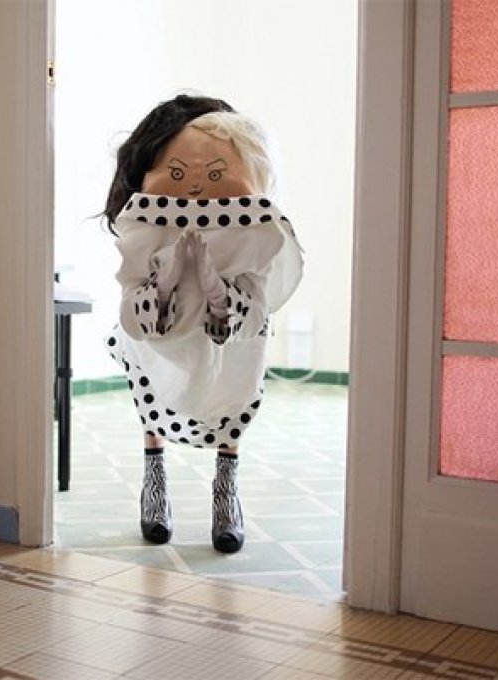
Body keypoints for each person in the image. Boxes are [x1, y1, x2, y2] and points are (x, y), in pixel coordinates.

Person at [102, 94, 303, 553]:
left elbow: (256, 302)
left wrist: (221, 295)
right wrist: (164, 282)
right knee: (150, 383)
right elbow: (132, 298)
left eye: (214, 174)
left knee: (234, 390)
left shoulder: (253, 228)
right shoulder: (147, 222)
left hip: (229, 328)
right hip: (159, 322)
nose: (194, 186)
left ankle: (226, 489)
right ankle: (154, 480)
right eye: (177, 172)